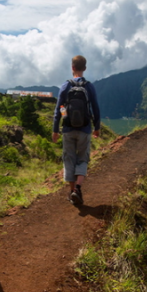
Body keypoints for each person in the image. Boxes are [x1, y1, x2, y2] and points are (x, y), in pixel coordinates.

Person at [52, 55, 101, 206]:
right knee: (82, 159)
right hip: (85, 129)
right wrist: (97, 127)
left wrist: (55, 129)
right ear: (84, 68)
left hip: (67, 129)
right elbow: (95, 108)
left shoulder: (65, 86)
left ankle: (72, 191)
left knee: (69, 159)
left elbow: (59, 108)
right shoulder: (89, 86)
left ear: (72, 67)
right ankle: (77, 189)